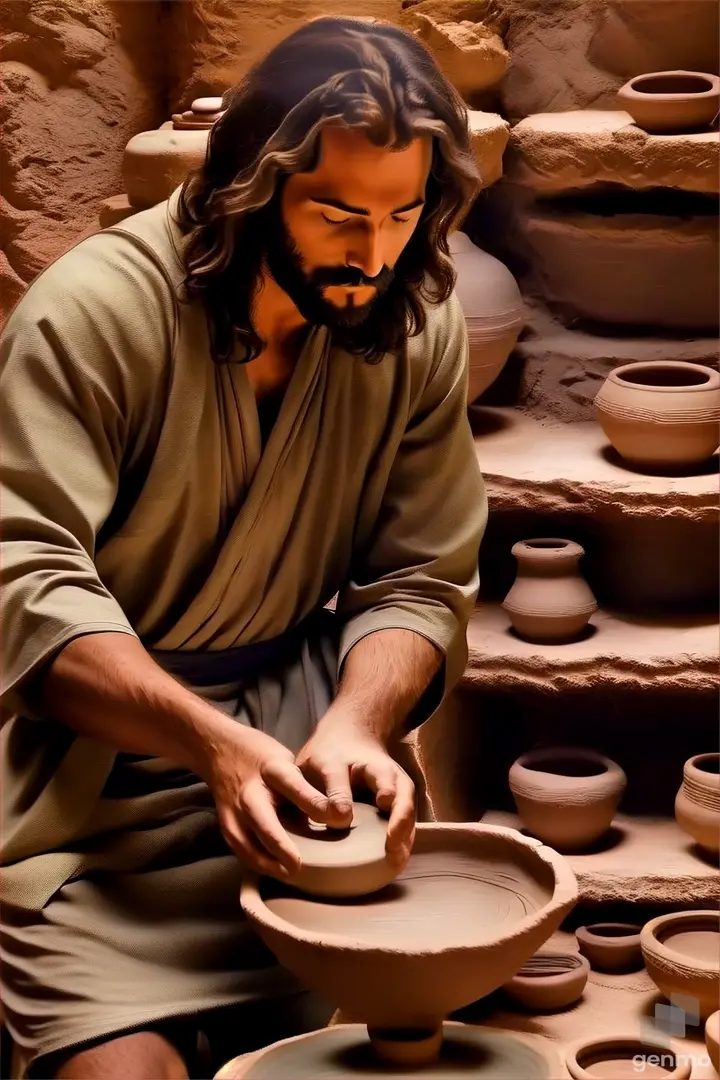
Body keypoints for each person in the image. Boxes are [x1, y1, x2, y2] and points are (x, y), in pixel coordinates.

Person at [0, 15, 487, 1079]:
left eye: (405, 213)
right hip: (94, 800)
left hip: (303, 773)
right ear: (254, 187)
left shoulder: (410, 319)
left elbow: (421, 573)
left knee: (384, 1052)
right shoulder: (92, 318)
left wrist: (358, 725)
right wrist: (209, 745)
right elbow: (27, 590)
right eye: (337, 215)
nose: (375, 253)